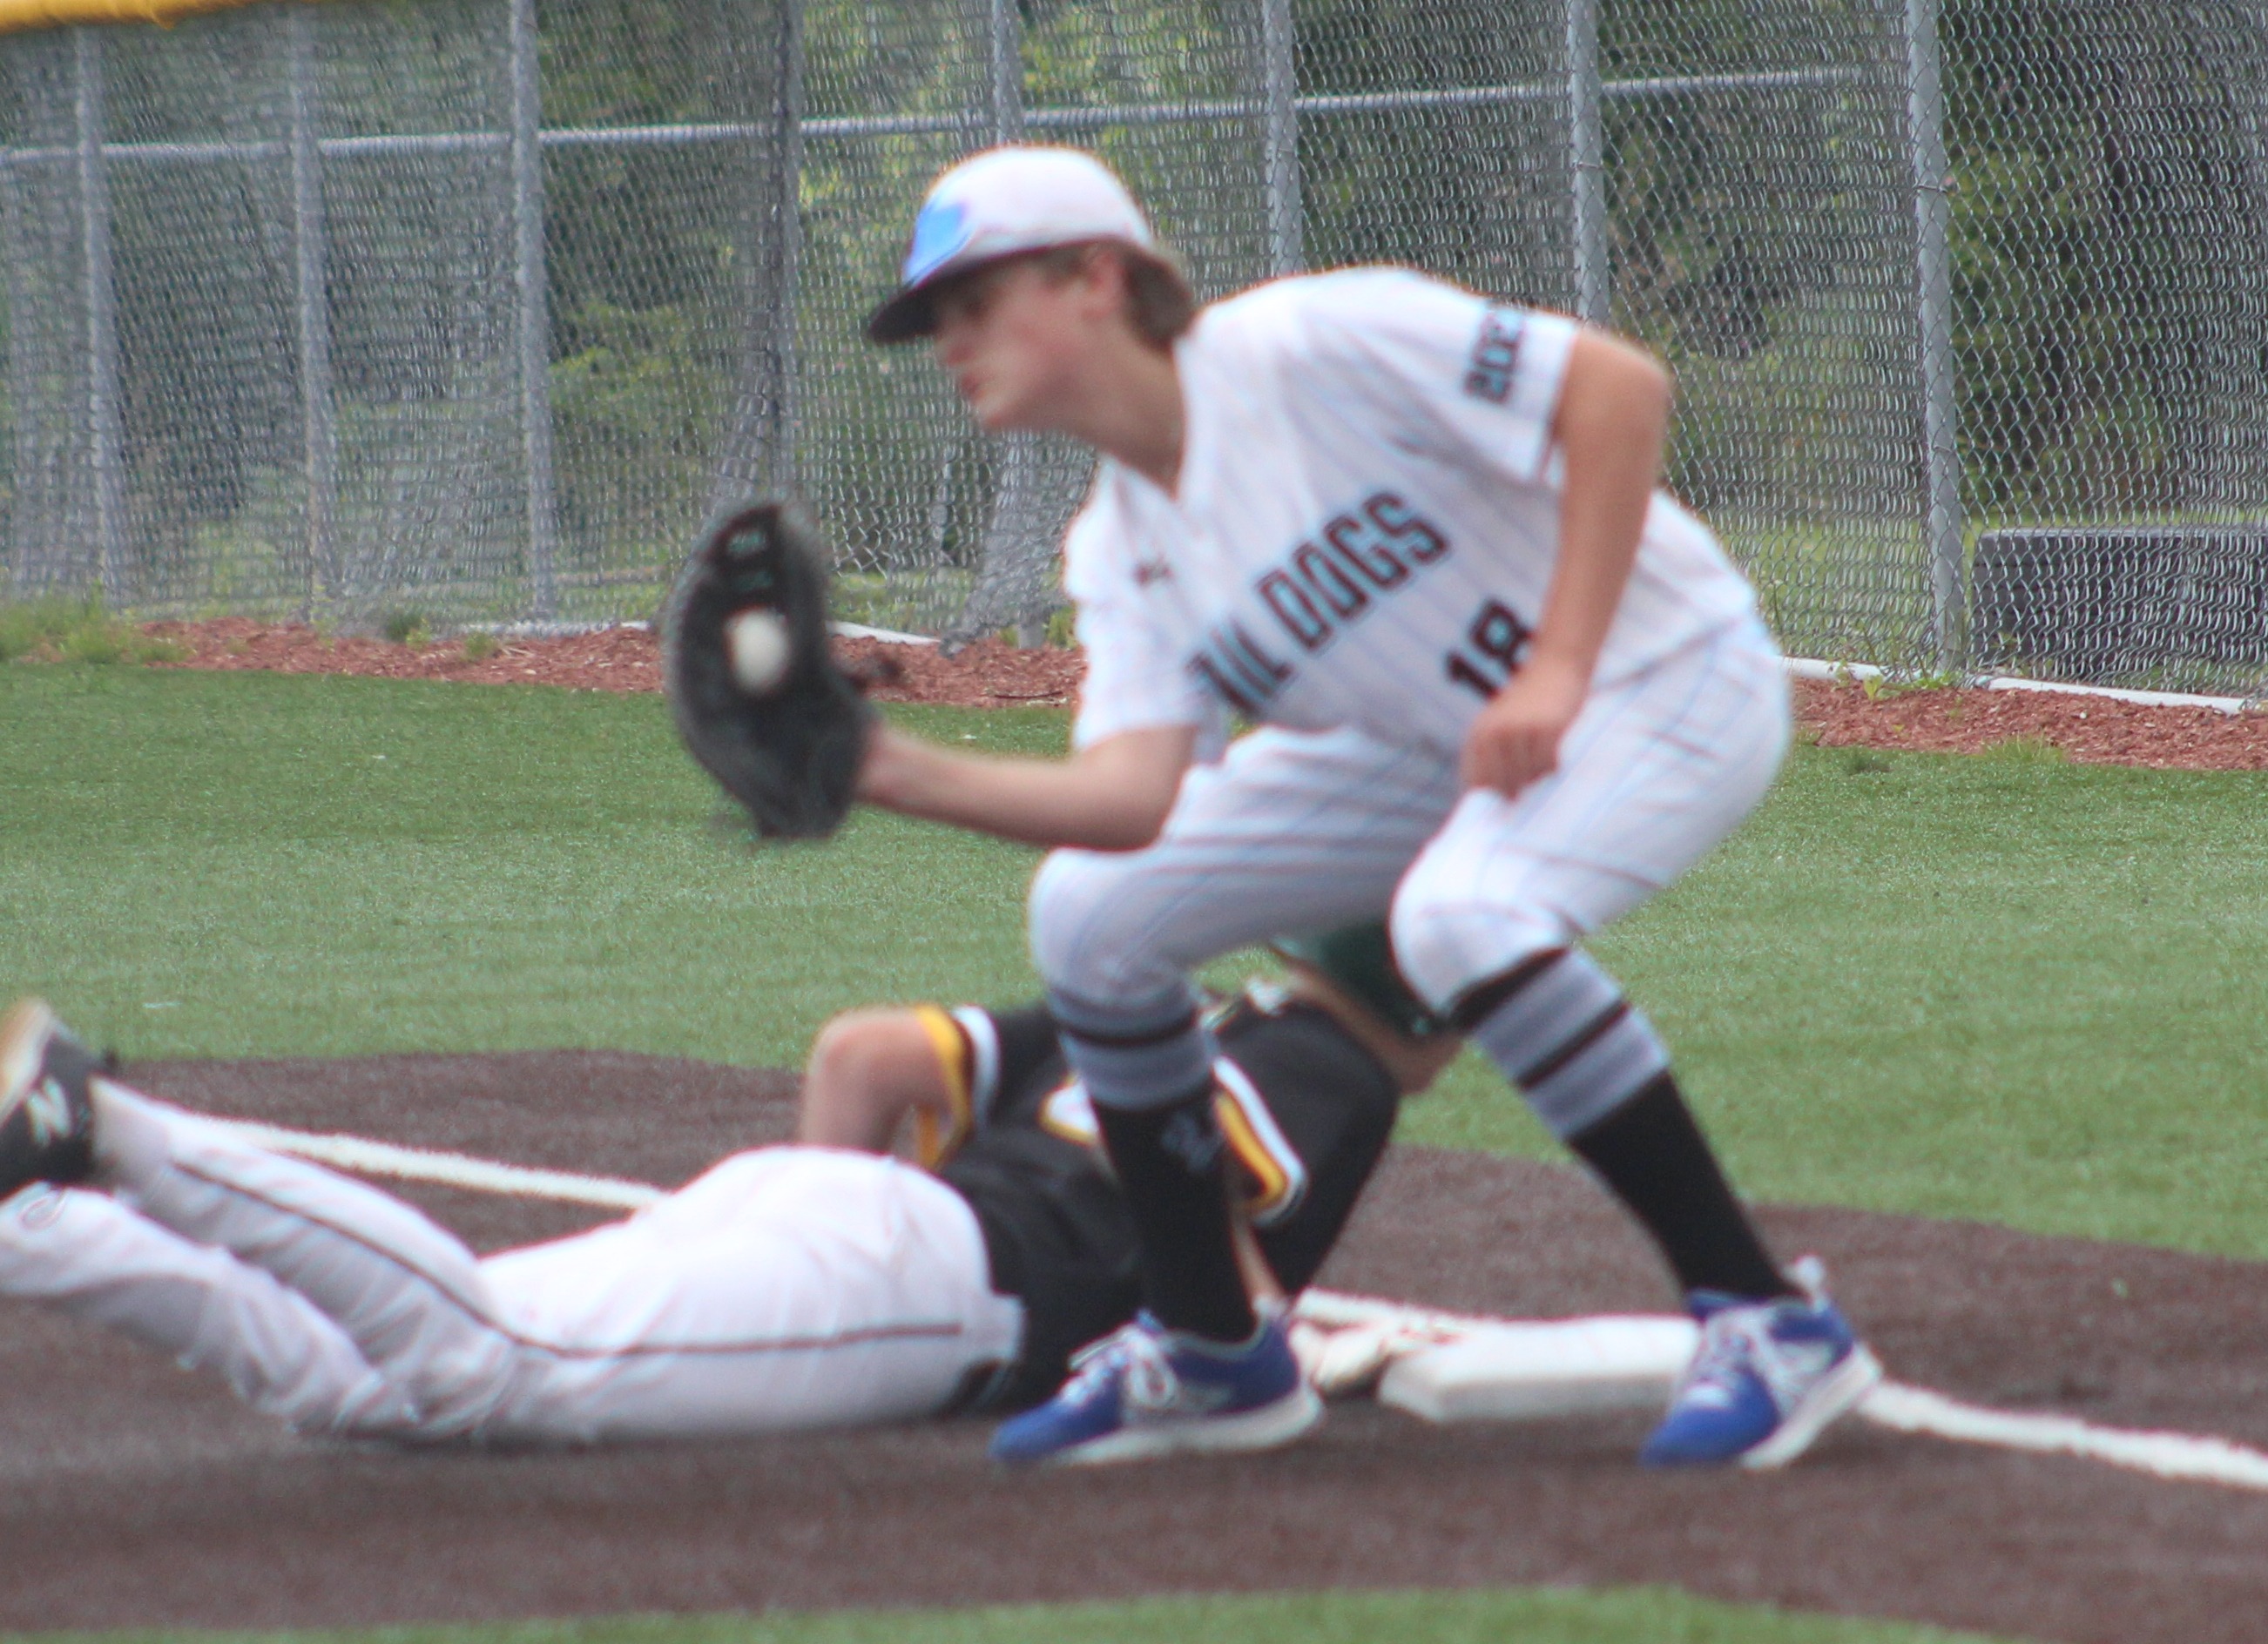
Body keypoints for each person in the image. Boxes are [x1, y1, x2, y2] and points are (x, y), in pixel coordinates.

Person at [852, 145, 1880, 1469]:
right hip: (1432, 742)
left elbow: (1617, 389)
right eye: (938, 316)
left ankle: (1768, 1317)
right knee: (1090, 913)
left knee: (1462, 916)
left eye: (975, 301)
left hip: (1659, 671)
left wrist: (1559, 666)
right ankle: (1215, 1346)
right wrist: (882, 768)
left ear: (1096, 278)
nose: (949, 341)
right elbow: (1129, 800)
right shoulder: (1121, 544)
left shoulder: (1309, 344)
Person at [0, 938, 1444, 1445]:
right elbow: (1190, 1168)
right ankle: (106, 1129)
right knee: (486, 1364)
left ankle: (33, 1228)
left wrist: (830, 1218)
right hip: (938, 1284)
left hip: (819, 1207)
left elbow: (864, 1055)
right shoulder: (1337, 1071)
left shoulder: (1167, 1000)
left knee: (346, 1388)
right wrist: (1263, 1334)